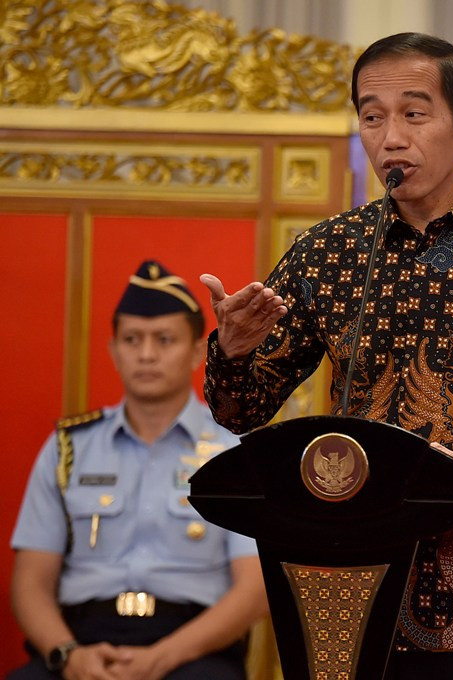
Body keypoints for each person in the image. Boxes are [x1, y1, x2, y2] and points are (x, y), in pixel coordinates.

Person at [201, 32, 453, 680]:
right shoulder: (328, 252)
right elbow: (240, 413)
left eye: (414, 114)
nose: (390, 136)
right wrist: (234, 354)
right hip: (340, 576)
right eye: (371, 115)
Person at [9, 261, 268, 680]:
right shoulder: (69, 449)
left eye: (164, 340)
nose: (146, 354)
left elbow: (254, 589)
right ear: (113, 350)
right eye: (132, 339)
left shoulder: (230, 452)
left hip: (191, 649)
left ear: (198, 351)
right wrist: (69, 655)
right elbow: (30, 583)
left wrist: (161, 658)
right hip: (82, 640)